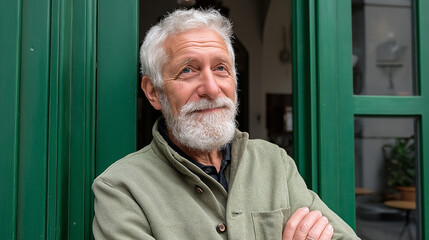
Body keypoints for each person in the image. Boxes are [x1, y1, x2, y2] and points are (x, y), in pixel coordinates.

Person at [92, 8, 360, 240]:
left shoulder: (274, 163)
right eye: (188, 70)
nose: (211, 88)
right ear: (154, 92)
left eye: (221, 68)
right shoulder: (121, 188)